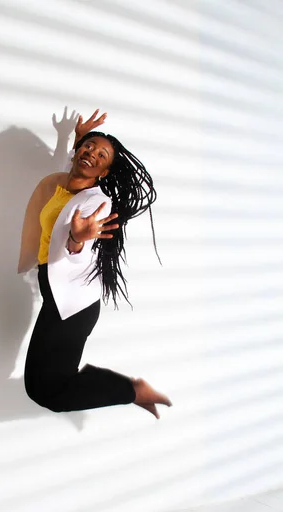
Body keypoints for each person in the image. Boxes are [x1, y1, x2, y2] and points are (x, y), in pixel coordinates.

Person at [18, 110, 172, 419]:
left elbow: (78, 248)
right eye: (89, 147)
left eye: (101, 155)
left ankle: (133, 391)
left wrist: (77, 236)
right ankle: (123, 387)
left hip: (74, 304)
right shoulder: (64, 185)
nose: (91, 153)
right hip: (56, 295)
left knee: (47, 392)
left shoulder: (96, 202)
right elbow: (71, 168)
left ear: (104, 172)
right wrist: (73, 138)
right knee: (38, 386)